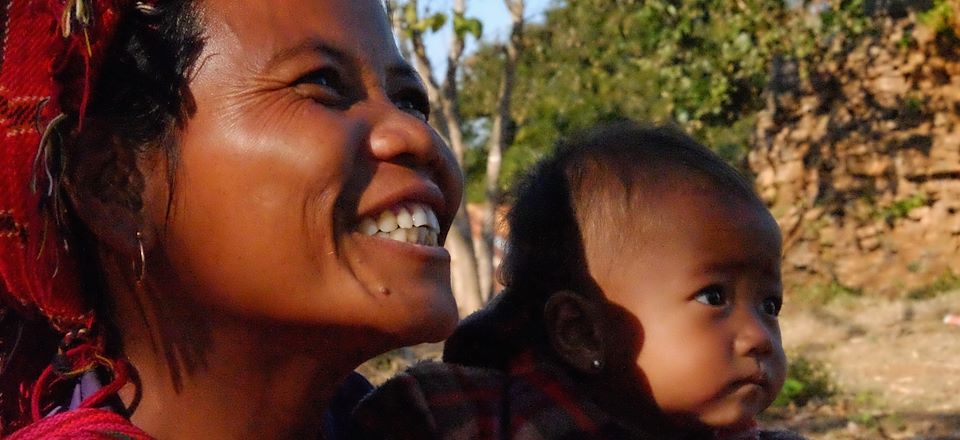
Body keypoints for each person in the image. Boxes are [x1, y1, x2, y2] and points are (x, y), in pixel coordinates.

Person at [0, 0, 463, 438]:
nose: (417, 136)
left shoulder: (463, 420)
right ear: (118, 185)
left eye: (409, 100)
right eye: (322, 83)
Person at [351, 122, 803, 439]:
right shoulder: (460, 417)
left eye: (769, 306)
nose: (758, 338)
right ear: (580, 332)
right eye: (715, 296)